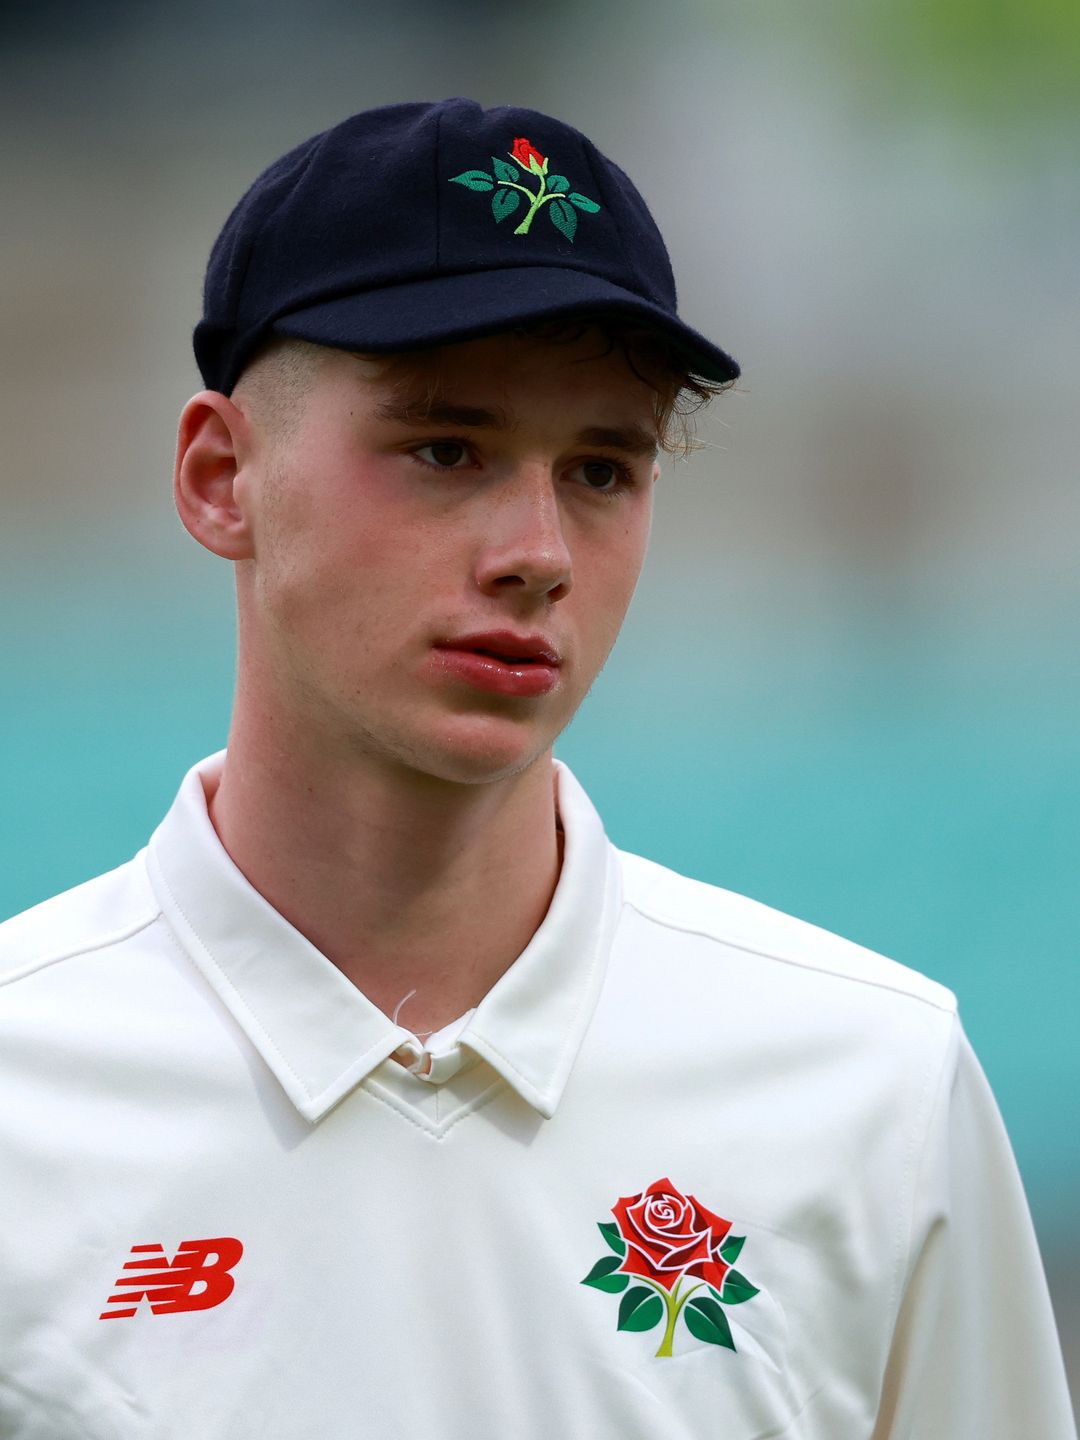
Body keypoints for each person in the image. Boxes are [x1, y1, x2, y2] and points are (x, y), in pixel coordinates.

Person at [0, 98, 1074, 1440]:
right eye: (445, 449)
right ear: (223, 477)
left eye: (603, 469)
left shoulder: (875, 1085)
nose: (537, 549)